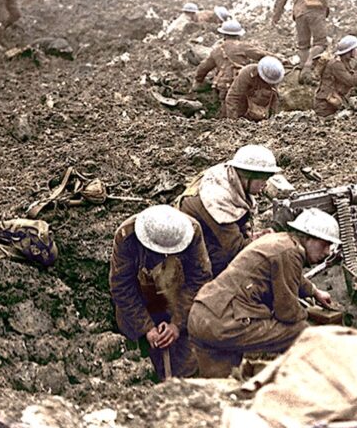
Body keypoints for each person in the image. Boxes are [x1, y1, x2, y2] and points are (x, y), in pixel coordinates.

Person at [187, 207, 339, 377]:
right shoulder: (290, 253)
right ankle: (302, 381)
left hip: (202, 315)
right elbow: (287, 312)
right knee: (300, 330)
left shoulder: (279, 241)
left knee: (221, 387)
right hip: (225, 322)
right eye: (324, 244)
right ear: (307, 237)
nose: (327, 252)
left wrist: (314, 291)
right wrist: (309, 316)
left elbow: (288, 272)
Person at [110, 204, 212, 380]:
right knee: (138, 358)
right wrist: (147, 327)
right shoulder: (127, 236)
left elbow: (200, 279)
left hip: (177, 296)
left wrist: (177, 324)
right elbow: (121, 287)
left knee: (188, 361)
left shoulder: (191, 231)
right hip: (140, 298)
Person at [178, 145, 279, 276]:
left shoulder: (231, 177)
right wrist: (273, 234)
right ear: (248, 175)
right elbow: (237, 250)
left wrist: (253, 235)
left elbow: (240, 219)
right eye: (263, 179)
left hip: (206, 229)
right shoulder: (217, 198)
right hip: (185, 246)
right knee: (223, 259)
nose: (265, 184)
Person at [271, 0, 329, 84]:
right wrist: (324, 7)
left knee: (303, 45)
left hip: (299, 14)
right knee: (320, 42)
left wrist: (276, 17)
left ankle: (303, 74)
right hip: (314, 11)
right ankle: (308, 67)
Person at [193, 20, 272, 115]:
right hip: (241, 84)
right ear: (238, 35)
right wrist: (283, 61)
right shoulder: (243, 47)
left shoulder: (217, 51)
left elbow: (203, 68)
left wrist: (199, 80)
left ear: (224, 35)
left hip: (223, 87)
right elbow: (264, 55)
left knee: (225, 111)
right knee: (244, 108)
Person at [314, 35, 357, 117]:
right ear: (349, 51)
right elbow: (350, 81)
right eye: (355, 49)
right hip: (326, 106)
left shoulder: (344, 62)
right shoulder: (336, 65)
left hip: (334, 103)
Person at [224, 56, 284, 121]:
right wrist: (233, 121)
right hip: (242, 107)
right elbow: (232, 97)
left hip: (259, 111)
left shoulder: (274, 76)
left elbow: (275, 100)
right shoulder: (247, 73)